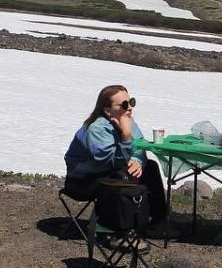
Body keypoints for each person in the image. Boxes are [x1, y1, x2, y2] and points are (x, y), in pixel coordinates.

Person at [64, 84, 167, 228]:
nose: (129, 108)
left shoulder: (128, 120)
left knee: (150, 167)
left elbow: (140, 147)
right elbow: (106, 161)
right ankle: (124, 226)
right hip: (84, 179)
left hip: (109, 172)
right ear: (107, 110)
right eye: (124, 104)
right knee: (124, 175)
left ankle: (157, 221)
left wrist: (137, 160)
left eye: (131, 102)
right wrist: (126, 137)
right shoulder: (97, 128)